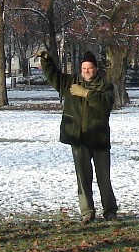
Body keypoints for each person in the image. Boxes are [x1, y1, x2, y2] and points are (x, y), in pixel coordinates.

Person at [38, 47, 118, 222]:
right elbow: (54, 76)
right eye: (84, 68)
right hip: (79, 138)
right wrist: (47, 60)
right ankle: (87, 211)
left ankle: (110, 211)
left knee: (104, 178)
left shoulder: (105, 86)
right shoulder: (70, 82)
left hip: (99, 139)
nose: (86, 71)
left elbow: (107, 105)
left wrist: (87, 94)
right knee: (82, 177)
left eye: (90, 68)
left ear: (96, 69)